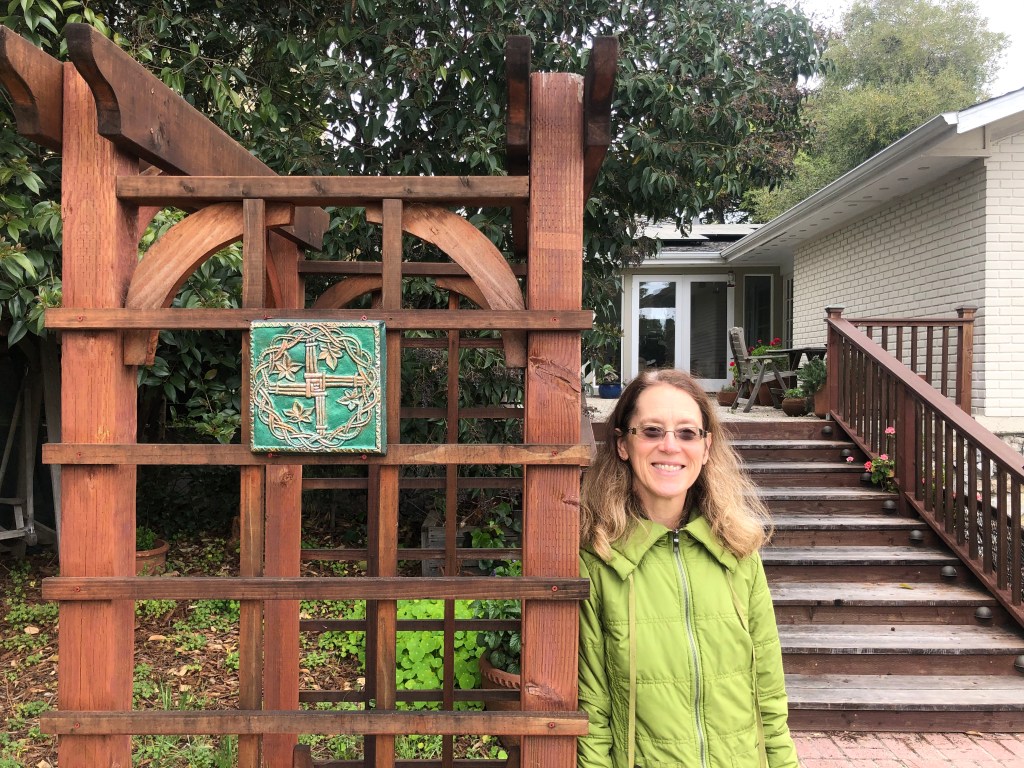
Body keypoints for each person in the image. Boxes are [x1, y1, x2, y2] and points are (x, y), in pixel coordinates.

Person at [578, 369, 798, 768]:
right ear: (623, 444)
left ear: (706, 445)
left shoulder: (739, 551)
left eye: (686, 432)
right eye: (651, 431)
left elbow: (769, 697)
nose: (670, 446)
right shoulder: (599, 560)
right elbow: (593, 716)